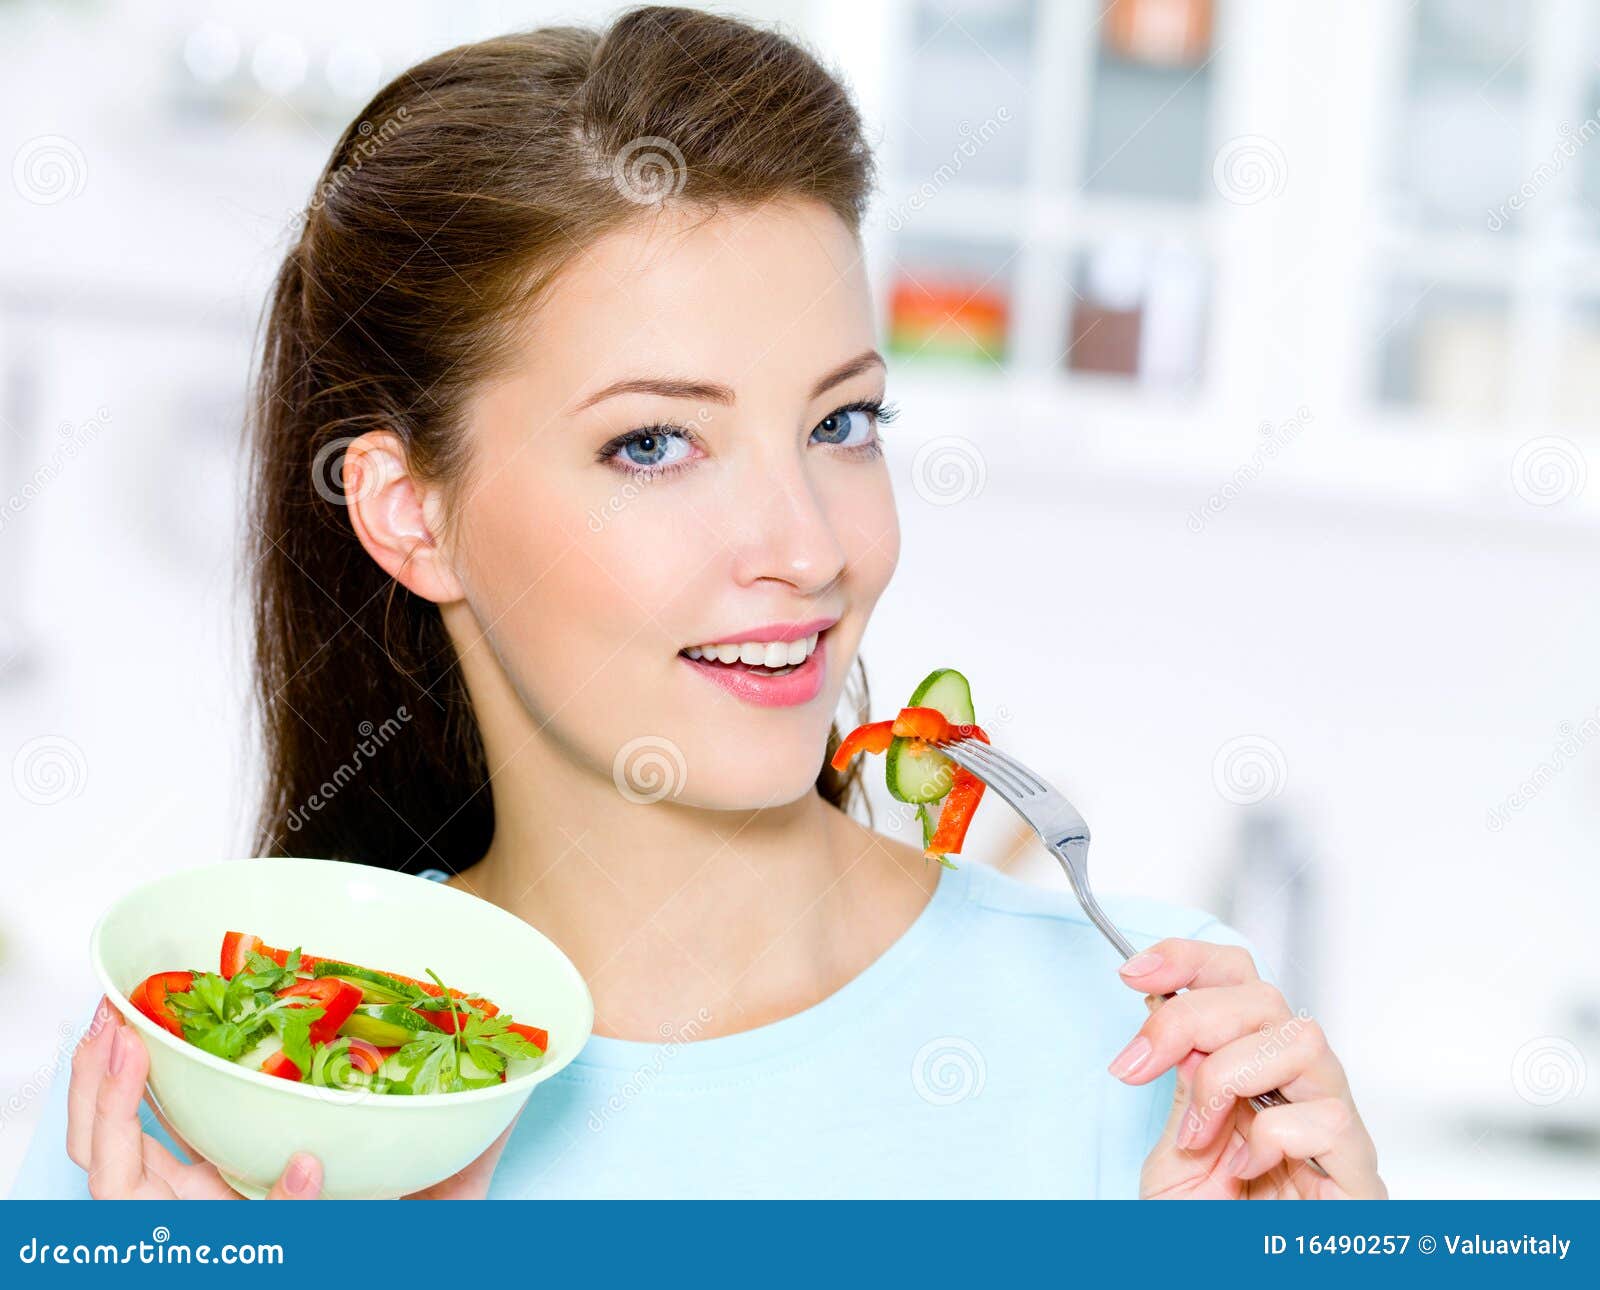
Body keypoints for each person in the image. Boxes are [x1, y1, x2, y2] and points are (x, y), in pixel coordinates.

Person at [12, 4, 1384, 1201]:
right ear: (407, 510)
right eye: (656, 443)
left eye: (843, 421)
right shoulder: (207, 1101)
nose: (805, 545)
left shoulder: (1166, 1041)